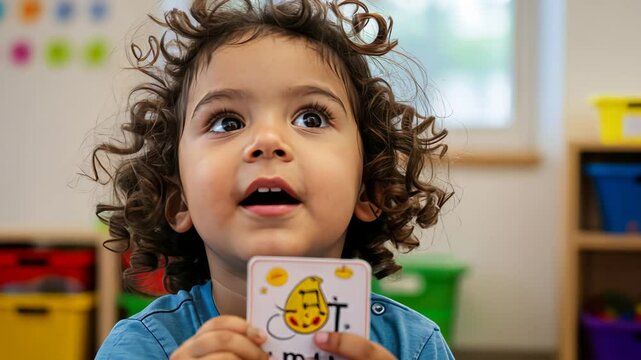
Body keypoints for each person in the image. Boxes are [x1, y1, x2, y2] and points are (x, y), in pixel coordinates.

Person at [92, 0, 453, 358]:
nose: (266, 141)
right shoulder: (141, 347)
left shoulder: (416, 347)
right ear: (179, 199)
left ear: (369, 190)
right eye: (227, 122)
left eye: (311, 118)